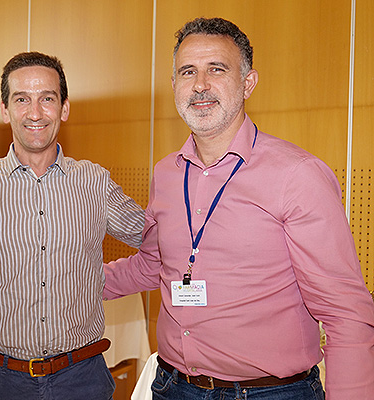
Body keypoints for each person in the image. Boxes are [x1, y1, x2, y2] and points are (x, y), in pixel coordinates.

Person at [104, 17, 374, 400]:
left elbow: (346, 313)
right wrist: (64, 282)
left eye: (216, 69)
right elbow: (152, 265)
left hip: (269, 393)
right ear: (174, 85)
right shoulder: (166, 174)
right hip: (172, 387)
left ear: (247, 83)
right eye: (187, 71)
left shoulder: (297, 175)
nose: (199, 84)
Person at [0, 51, 144, 399]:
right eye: (21, 99)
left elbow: (155, 239)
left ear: (64, 108)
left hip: (81, 379)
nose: (35, 113)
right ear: (4, 109)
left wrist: (107, 277)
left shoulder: (94, 182)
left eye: (47, 99)